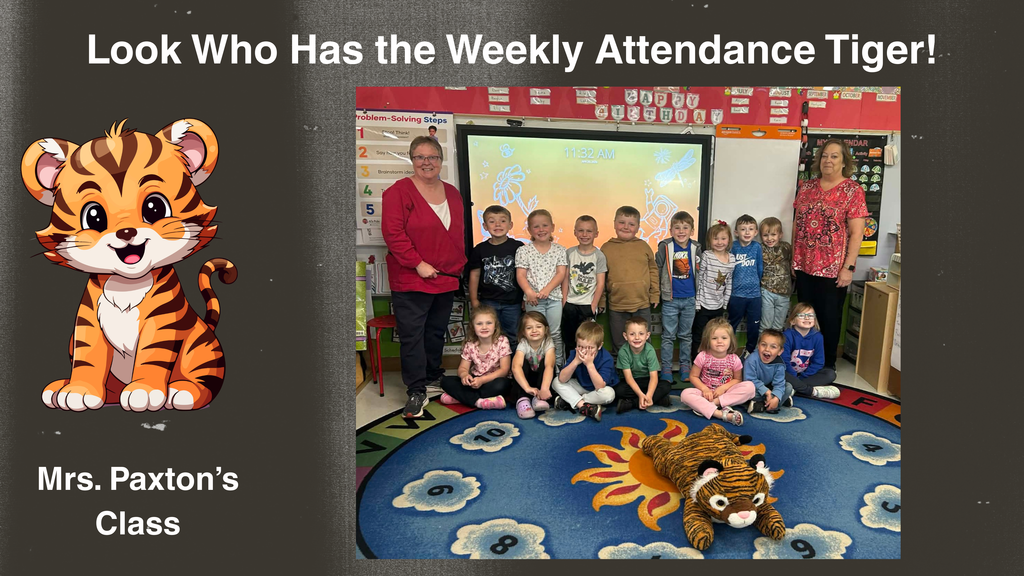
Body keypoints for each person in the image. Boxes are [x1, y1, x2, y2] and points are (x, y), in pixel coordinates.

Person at [382, 136, 466, 418]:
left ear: (441, 160)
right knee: (412, 336)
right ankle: (416, 390)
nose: (426, 162)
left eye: (432, 157)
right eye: (419, 157)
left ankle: (432, 375)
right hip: (412, 278)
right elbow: (393, 234)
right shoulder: (398, 192)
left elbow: (456, 236)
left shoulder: (453, 193)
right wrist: (417, 263)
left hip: (445, 277)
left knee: (435, 332)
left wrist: (458, 266)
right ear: (411, 160)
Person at [793, 138, 869, 369]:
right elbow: (798, 224)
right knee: (804, 316)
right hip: (804, 265)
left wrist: (849, 267)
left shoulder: (852, 191)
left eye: (834, 156)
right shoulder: (806, 187)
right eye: (825, 155)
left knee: (828, 317)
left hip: (832, 270)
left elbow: (857, 233)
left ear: (844, 161)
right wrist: (793, 259)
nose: (828, 160)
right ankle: (802, 362)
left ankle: (826, 365)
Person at [601, 206, 659, 357]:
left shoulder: (643, 246)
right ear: (614, 223)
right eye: (621, 222)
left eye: (631, 224)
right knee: (619, 343)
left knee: (644, 342)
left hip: (642, 304)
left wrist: (655, 294)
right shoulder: (606, 248)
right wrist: (601, 300)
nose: (626, 227)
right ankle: (622, 374)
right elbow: (600, 277)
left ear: (638, 227)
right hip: (617, 305)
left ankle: (647, 373)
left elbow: (653, 271)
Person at [515, 209, 568, 366]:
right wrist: (529, 292)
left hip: (554, 299)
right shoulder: (523, 251)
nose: (541, 229)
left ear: (552, 227)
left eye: (545, 225)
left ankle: (557, 367)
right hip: (533, 301)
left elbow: (561, 274)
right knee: (534, 335)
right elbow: (521, 275)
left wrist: (546, 290)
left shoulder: (560, 250)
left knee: (555, 333)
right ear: (529, 230)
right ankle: (537, 367)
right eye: (536, 226)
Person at [680, 317, 755, 426]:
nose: (719, 341)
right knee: (685, 394)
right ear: (707, 340)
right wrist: (704, 389)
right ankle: (720, 413)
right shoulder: (702, 356)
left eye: (724, 338)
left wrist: (723, 388)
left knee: (750, 387)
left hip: (725, 393)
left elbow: (737, 379)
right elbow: (693, 376)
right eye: (714, 338)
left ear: (731, 340)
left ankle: (710, 405)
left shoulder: (734, 359)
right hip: (705, 393)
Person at [468, 205, 524, 348]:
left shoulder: (518, 247)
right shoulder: (480, 249)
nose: (498, 225)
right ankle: (493, 366)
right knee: (490, 336)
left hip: (513, 302)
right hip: (488, 302)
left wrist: (525, 298)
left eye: (503, 221)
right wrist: (474, 300)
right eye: (492, 221)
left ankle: (512, 368)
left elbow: (524, 274)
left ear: (510, 225)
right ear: (485, 226)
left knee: (512, 335)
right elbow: (474, 275)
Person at [438, 305, 512, 410]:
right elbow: (462, 368)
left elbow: (504, 370)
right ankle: (479, 402)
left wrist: (482, 380)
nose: (484, 327)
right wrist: (464, 376)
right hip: (475, 381)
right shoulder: (470, 344)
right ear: (473, 327)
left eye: (489, 323)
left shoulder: (502, 341)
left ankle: (461, 398)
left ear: (495, 325)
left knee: (502, 385)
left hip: (493, 381)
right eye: (479, 324)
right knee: (445, 381)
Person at [656, 211, 700, 383]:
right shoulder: (665, 246)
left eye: (685, 227)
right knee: (668, 335)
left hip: (690, 299)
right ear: (671, 230)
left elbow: (701, 272)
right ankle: (666, 368)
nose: (681, 231)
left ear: (692, 230)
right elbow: (658, 268)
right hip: (671, 299)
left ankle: (685, 367)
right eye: (677, 228)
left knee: (686, 335)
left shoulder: (696, 247)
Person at [561, 215, 607, 361]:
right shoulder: (569, 253)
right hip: (570, 304)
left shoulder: (599, 256)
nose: (584, 235)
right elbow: (565, 278)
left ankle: (586, 369)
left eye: (589, 231)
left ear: (596, 234)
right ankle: (570, 368)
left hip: (587, 306)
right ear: (575, 232)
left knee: (587, 341)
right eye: (581, 231)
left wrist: (594, 305)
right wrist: (564, 301)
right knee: (569, 340)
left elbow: (600, 283)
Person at [552, 321, 618, 421]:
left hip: (597, 391)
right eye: (580, 346)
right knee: (556, 382)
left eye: (590, 348)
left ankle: (570, 400)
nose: (584, 351)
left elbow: (599, 386)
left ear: (599, 346)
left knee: (609, 394)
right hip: (581, 386)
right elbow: (562, 379)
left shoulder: (606, 358)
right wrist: (575, 362)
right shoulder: (575, 354)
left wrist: (590, 365)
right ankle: (582, 405)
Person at [691, 220, 736, 361]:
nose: (719, 242)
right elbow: (700, 279)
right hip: (703, 305)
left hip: (718, 305)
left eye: (723, 238)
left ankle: (713, 362)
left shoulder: (732, 259)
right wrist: (697, 303)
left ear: (729, 240)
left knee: (716, 336)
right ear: (709, 240)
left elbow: (728, 282)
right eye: (715, 238)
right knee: (700, 335)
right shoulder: (707, 255)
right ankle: (696, 362)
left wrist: (725, 303)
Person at [615, 316, 673, 413]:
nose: (637, 337)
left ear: (647, 335)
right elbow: (628, 378)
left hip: (647, 381)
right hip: (631, 382)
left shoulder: (649, 350)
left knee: (666, 385)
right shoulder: (623, 352)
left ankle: (632, 403)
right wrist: (641, 395)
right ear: (625, 336)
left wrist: (649, 395)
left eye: (641, 334)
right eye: (632, 334)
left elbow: (654, 377)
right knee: (618, 390)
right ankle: (658, 399)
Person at [783, 303, 840, 399]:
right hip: (788, 373)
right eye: (802, 315)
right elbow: (784, 361)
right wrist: (793, 376)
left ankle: (794, 388)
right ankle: (809, 390)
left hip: (805, 375)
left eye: (810, 315)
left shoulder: (818, 337)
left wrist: (801, 378)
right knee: (776, 372)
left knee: (830, 374)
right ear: (792, 321)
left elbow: (818, 362)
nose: (807, 318)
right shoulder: (786, 336)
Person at [728, 214, 763, 359]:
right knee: (732, 325)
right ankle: (728, 351)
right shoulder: (733, 246)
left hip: (754, 296)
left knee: (754, 326)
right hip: (736, 295)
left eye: (750, 229)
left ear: (755, 232)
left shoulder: (757, 247)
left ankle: (749, 352)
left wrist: (755, 282)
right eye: (743, 229)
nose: (747, 232)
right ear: (736, 232)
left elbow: (760, 268)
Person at [510, 312, 556, 419]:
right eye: (529, 328)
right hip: (525, 382)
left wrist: (544, 388)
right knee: (521, 364)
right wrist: (526, 388)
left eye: (539, 327)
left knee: (546, 362)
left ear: (546, 330)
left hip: (542, 380)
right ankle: (523, 399)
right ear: (524, 332)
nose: (534, 330)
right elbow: (515, 367)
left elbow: (549, 366)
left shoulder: (548, 343)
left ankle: (539, 397)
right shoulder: (523, 344)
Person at [744, 329, 793, 414]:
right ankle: (777, 402)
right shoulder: (751, 360)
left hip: (769, 388)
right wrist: (767, 392)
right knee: (747, 391)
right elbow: (749, 379)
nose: (767, 349)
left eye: (773, 347)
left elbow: (779, 383)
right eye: (763, 345)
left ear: (780, 351)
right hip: (754, 387)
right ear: (758, 346)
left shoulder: (779, 364)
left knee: (788, 387)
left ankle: (767, 404)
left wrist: (776, 397)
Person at [759, 217, 793, 331]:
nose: (769, 238)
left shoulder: (786, 247)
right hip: (766, 290)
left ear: (780, 235)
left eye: (773, 234)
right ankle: (761, 348)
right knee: (765, 325)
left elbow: (791, 262)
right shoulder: (759, 248)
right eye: (765, 235)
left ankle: (776, 348)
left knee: (778, 327)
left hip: (784, 293)